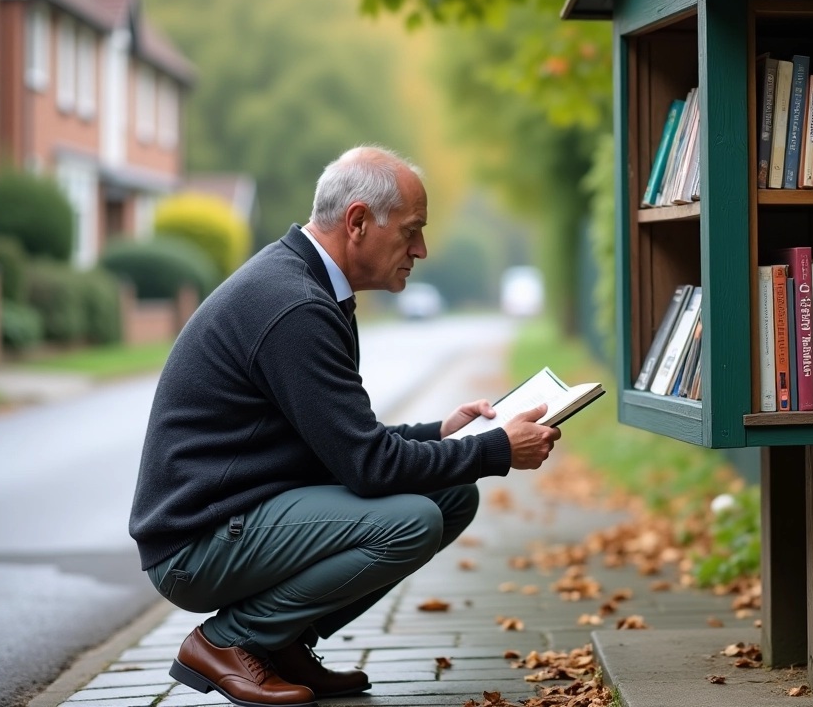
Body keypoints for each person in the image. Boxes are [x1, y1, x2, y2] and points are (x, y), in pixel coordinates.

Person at [129, 146, 561, 707]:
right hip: (197, 542)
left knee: (452, 495)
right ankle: (230, 640)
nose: (421, 249)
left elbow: (343, 444)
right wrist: (497, 450)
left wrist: (438, 433)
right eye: (411, 231)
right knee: (409, 522)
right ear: (358, 222)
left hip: (242, 513)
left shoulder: (308, 286)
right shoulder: (294, 306)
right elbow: (369, 468)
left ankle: (280, 643)